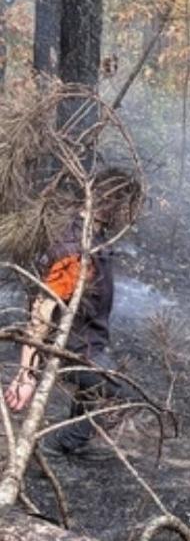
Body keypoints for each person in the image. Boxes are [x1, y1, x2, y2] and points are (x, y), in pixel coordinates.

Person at [3, 168, 142, 459]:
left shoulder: (91, 235)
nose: (129, 217)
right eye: (127, 207)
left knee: (94, 387)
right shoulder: (75, 251)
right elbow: (42, 310)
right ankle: (55, 444)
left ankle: (74, 438)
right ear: (111, 203)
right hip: (74, 346)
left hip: (89, 340)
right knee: (122, 395)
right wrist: (26, 374)